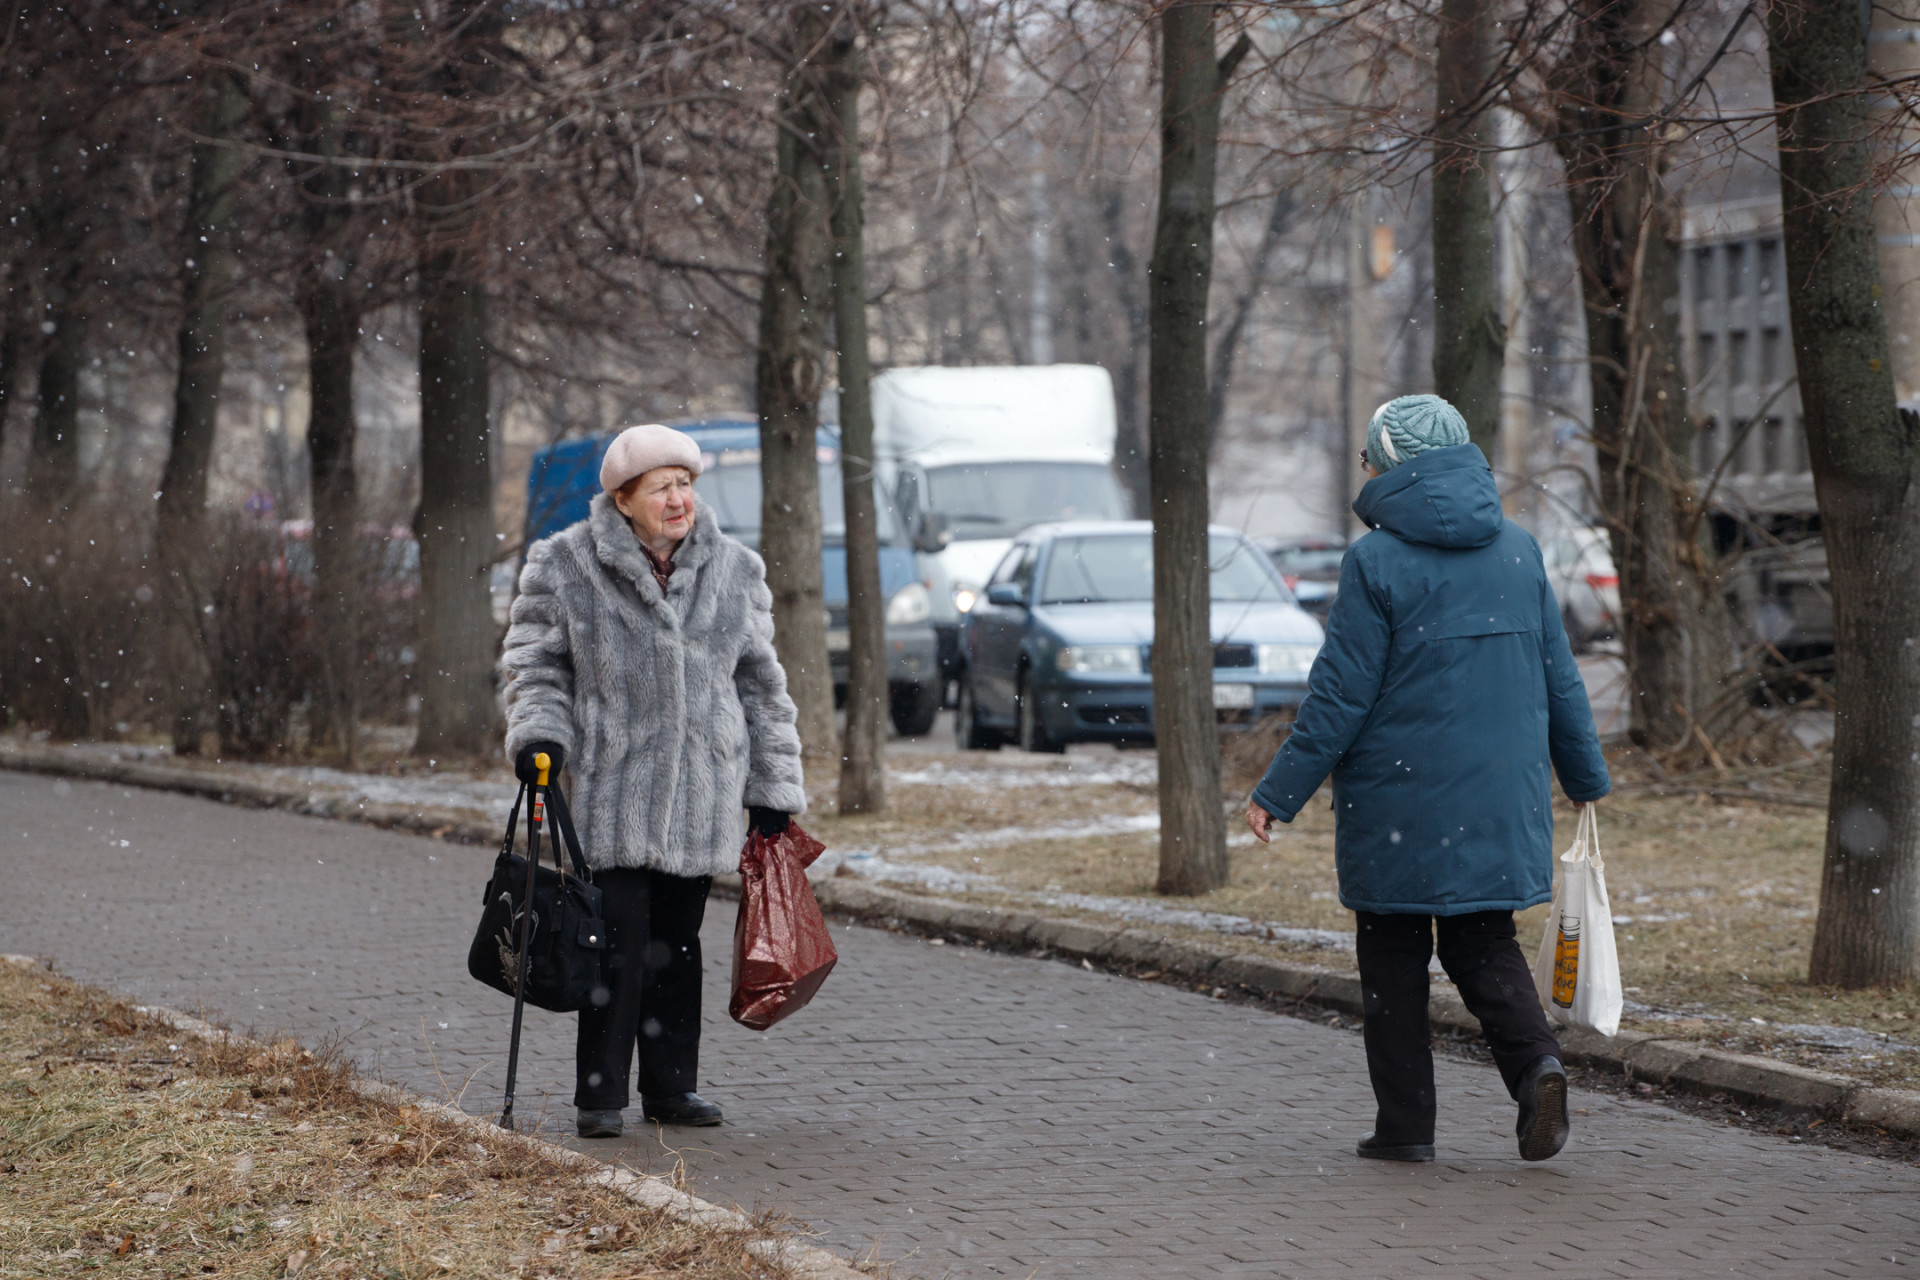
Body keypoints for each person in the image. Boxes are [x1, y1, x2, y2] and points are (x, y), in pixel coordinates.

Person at [1244, 395, 1610, 1164]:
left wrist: (1277, 793)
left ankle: (1406, 1128)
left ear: (1396, 466)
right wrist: (1584, 774)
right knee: (1484, 943)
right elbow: (1560, 677)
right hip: (1497, 797)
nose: (1365, 469)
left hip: (1398, 799)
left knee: (1392, 957)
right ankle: (1536, 1067)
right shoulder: (1518, 550)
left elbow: (1339, 696)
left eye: (1371, 457)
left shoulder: (1374, 561)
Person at [500, 422, 807, 1138]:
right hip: (613, 789)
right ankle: (600, 1097)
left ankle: (671, 1090)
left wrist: (772, 789)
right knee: (615, 939)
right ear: (624, 497)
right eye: (663, 486)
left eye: (687, 484)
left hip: (703, 791)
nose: (679, 498)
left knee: (679, 942)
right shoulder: (565, 565)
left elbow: (763, 688)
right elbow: (537, 667)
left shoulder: (735, 570)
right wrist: (540, 737)